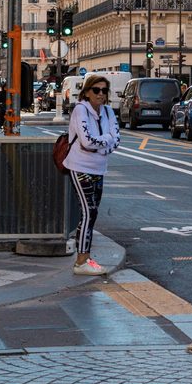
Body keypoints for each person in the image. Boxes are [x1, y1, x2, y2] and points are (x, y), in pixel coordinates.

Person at [63, 73, 120, 274]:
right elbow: (87, 141)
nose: (100, 94)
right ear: (87, 92)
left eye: (104, 90)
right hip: (80, 167)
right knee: (88, 212)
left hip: (99, 168)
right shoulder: (80, 110)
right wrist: (106, 140)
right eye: (96, 90)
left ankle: (85, 258)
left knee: (92, 213)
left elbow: (117, 140)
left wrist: (101, 143)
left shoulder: (108, 112)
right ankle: (81, 261)